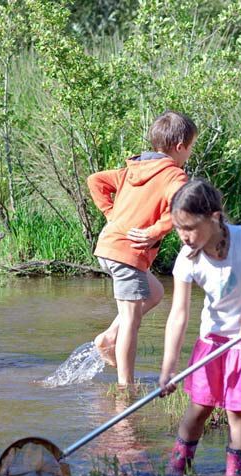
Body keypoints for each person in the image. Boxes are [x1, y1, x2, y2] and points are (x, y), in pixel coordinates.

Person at [159, 179, 241, 476]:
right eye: (179, 228)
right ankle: (177, 471)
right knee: (199, 409)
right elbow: (178, 315)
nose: (184, 236)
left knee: (237, 412)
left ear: (215, 217)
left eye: (190, 227)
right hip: (213, 342)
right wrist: (168, 369)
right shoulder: (187, 260)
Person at [88, 111, 195, 387]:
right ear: (181, 146)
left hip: (108, 248)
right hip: (128, 255)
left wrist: (111, 215)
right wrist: (153, 231)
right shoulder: (175, 176)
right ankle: (126, 385)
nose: (190, 154)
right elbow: (180, 210)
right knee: (131, 323)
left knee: (156, 292)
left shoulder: (134, 169)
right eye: (191, 147)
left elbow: (95, 181)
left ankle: (109, 337)